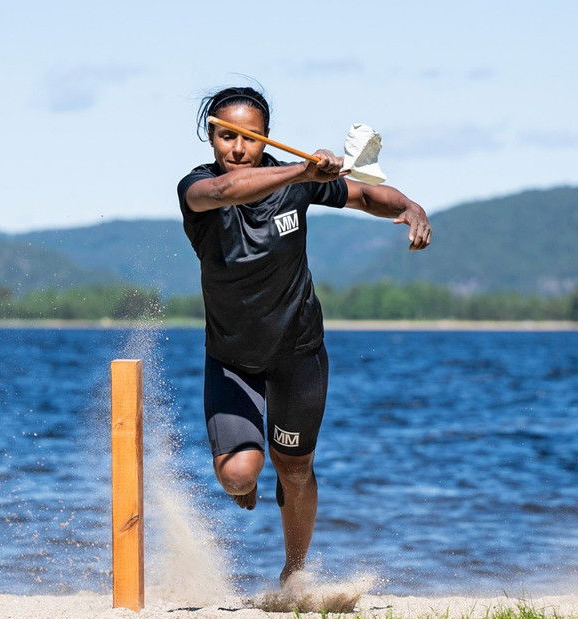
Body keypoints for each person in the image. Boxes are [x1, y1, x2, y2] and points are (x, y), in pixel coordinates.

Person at [176, 86, 433, 587]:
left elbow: (365, 194)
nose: (237, 148)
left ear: (266, 137)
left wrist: (410, 207)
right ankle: (246, 478)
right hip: (232, 356)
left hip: (298, 353)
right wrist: (304, 169)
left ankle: (293, 575)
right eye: (226, 136)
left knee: (293, 469)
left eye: (249, 138)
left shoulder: (298, 184)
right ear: (211, 138)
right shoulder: (197, 187)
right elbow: (226, 193)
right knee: (238, 475)